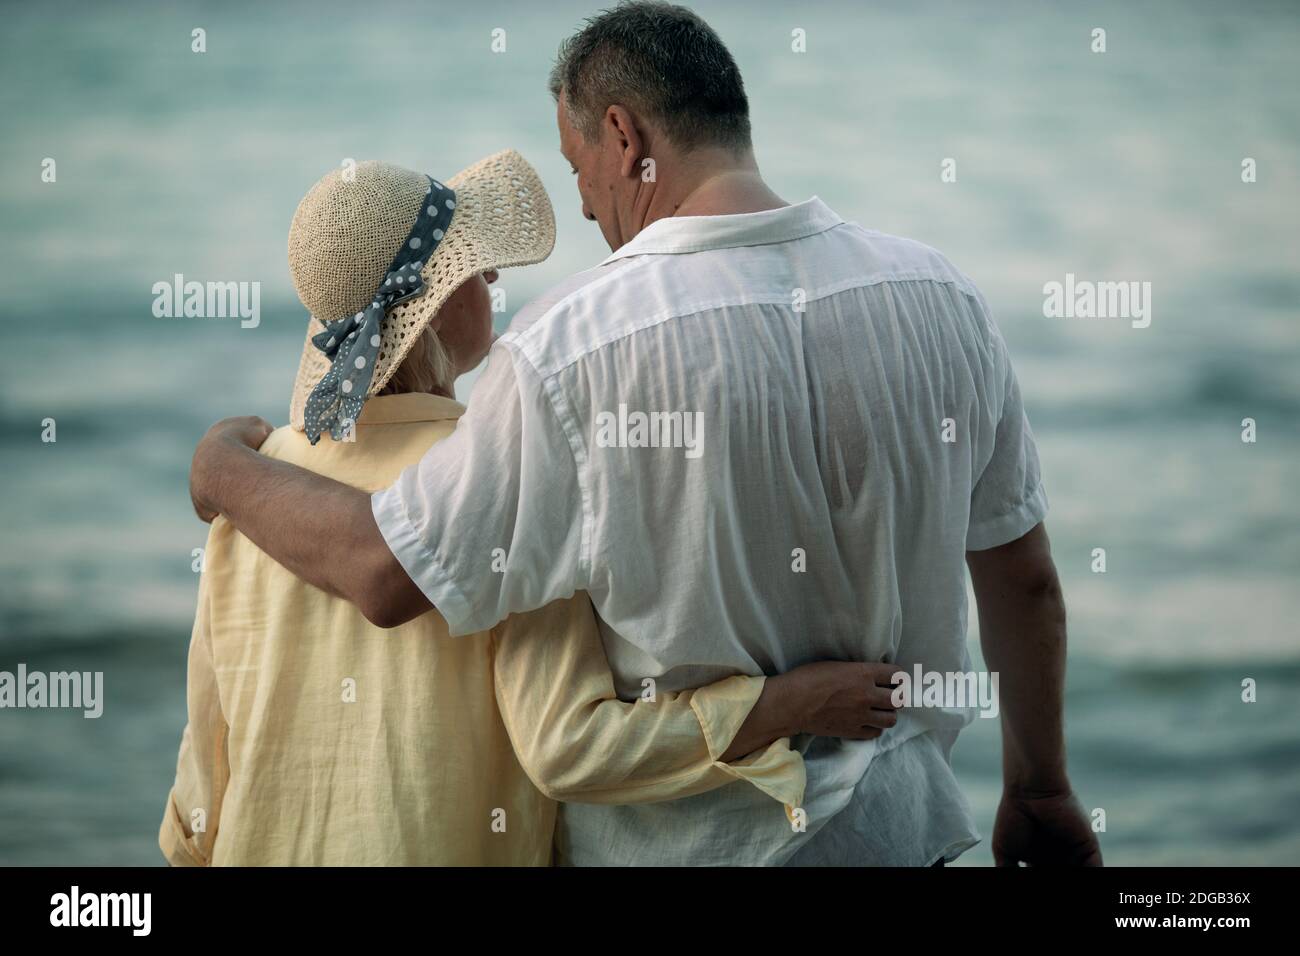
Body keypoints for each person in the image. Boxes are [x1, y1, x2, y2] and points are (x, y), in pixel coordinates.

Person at [188, 3, 1102, 866]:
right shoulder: (942, 298)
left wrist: (225, 470)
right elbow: (1023, 582)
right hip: (900, 835)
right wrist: (1043, 789)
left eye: (577, 164)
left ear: (624, 137)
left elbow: (389, 575)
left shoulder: (567, 346)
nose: (584, 204)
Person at [161, 152, 899, 866]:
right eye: (479, 267)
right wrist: (783, 704)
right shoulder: (502, 473)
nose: (492, 280)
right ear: (442, 303)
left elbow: (199, 805)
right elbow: (572, 748)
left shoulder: (253, 490)